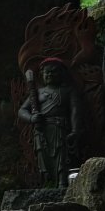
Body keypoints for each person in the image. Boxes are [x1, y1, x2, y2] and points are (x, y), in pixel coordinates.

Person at [18, 58, 82, 188]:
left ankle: (62, 183)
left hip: (60, 128)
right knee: (43, 158)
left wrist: (75, 130)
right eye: (47, 72)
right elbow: (22, 110)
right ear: (41, 75)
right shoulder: (37, 92)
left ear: (62, 74)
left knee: (61, 158)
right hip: (41, 130)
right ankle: (47, 184)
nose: (50, 75)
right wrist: (31, 118)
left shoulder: (68, 91)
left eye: (54, 72)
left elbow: (75, 111)